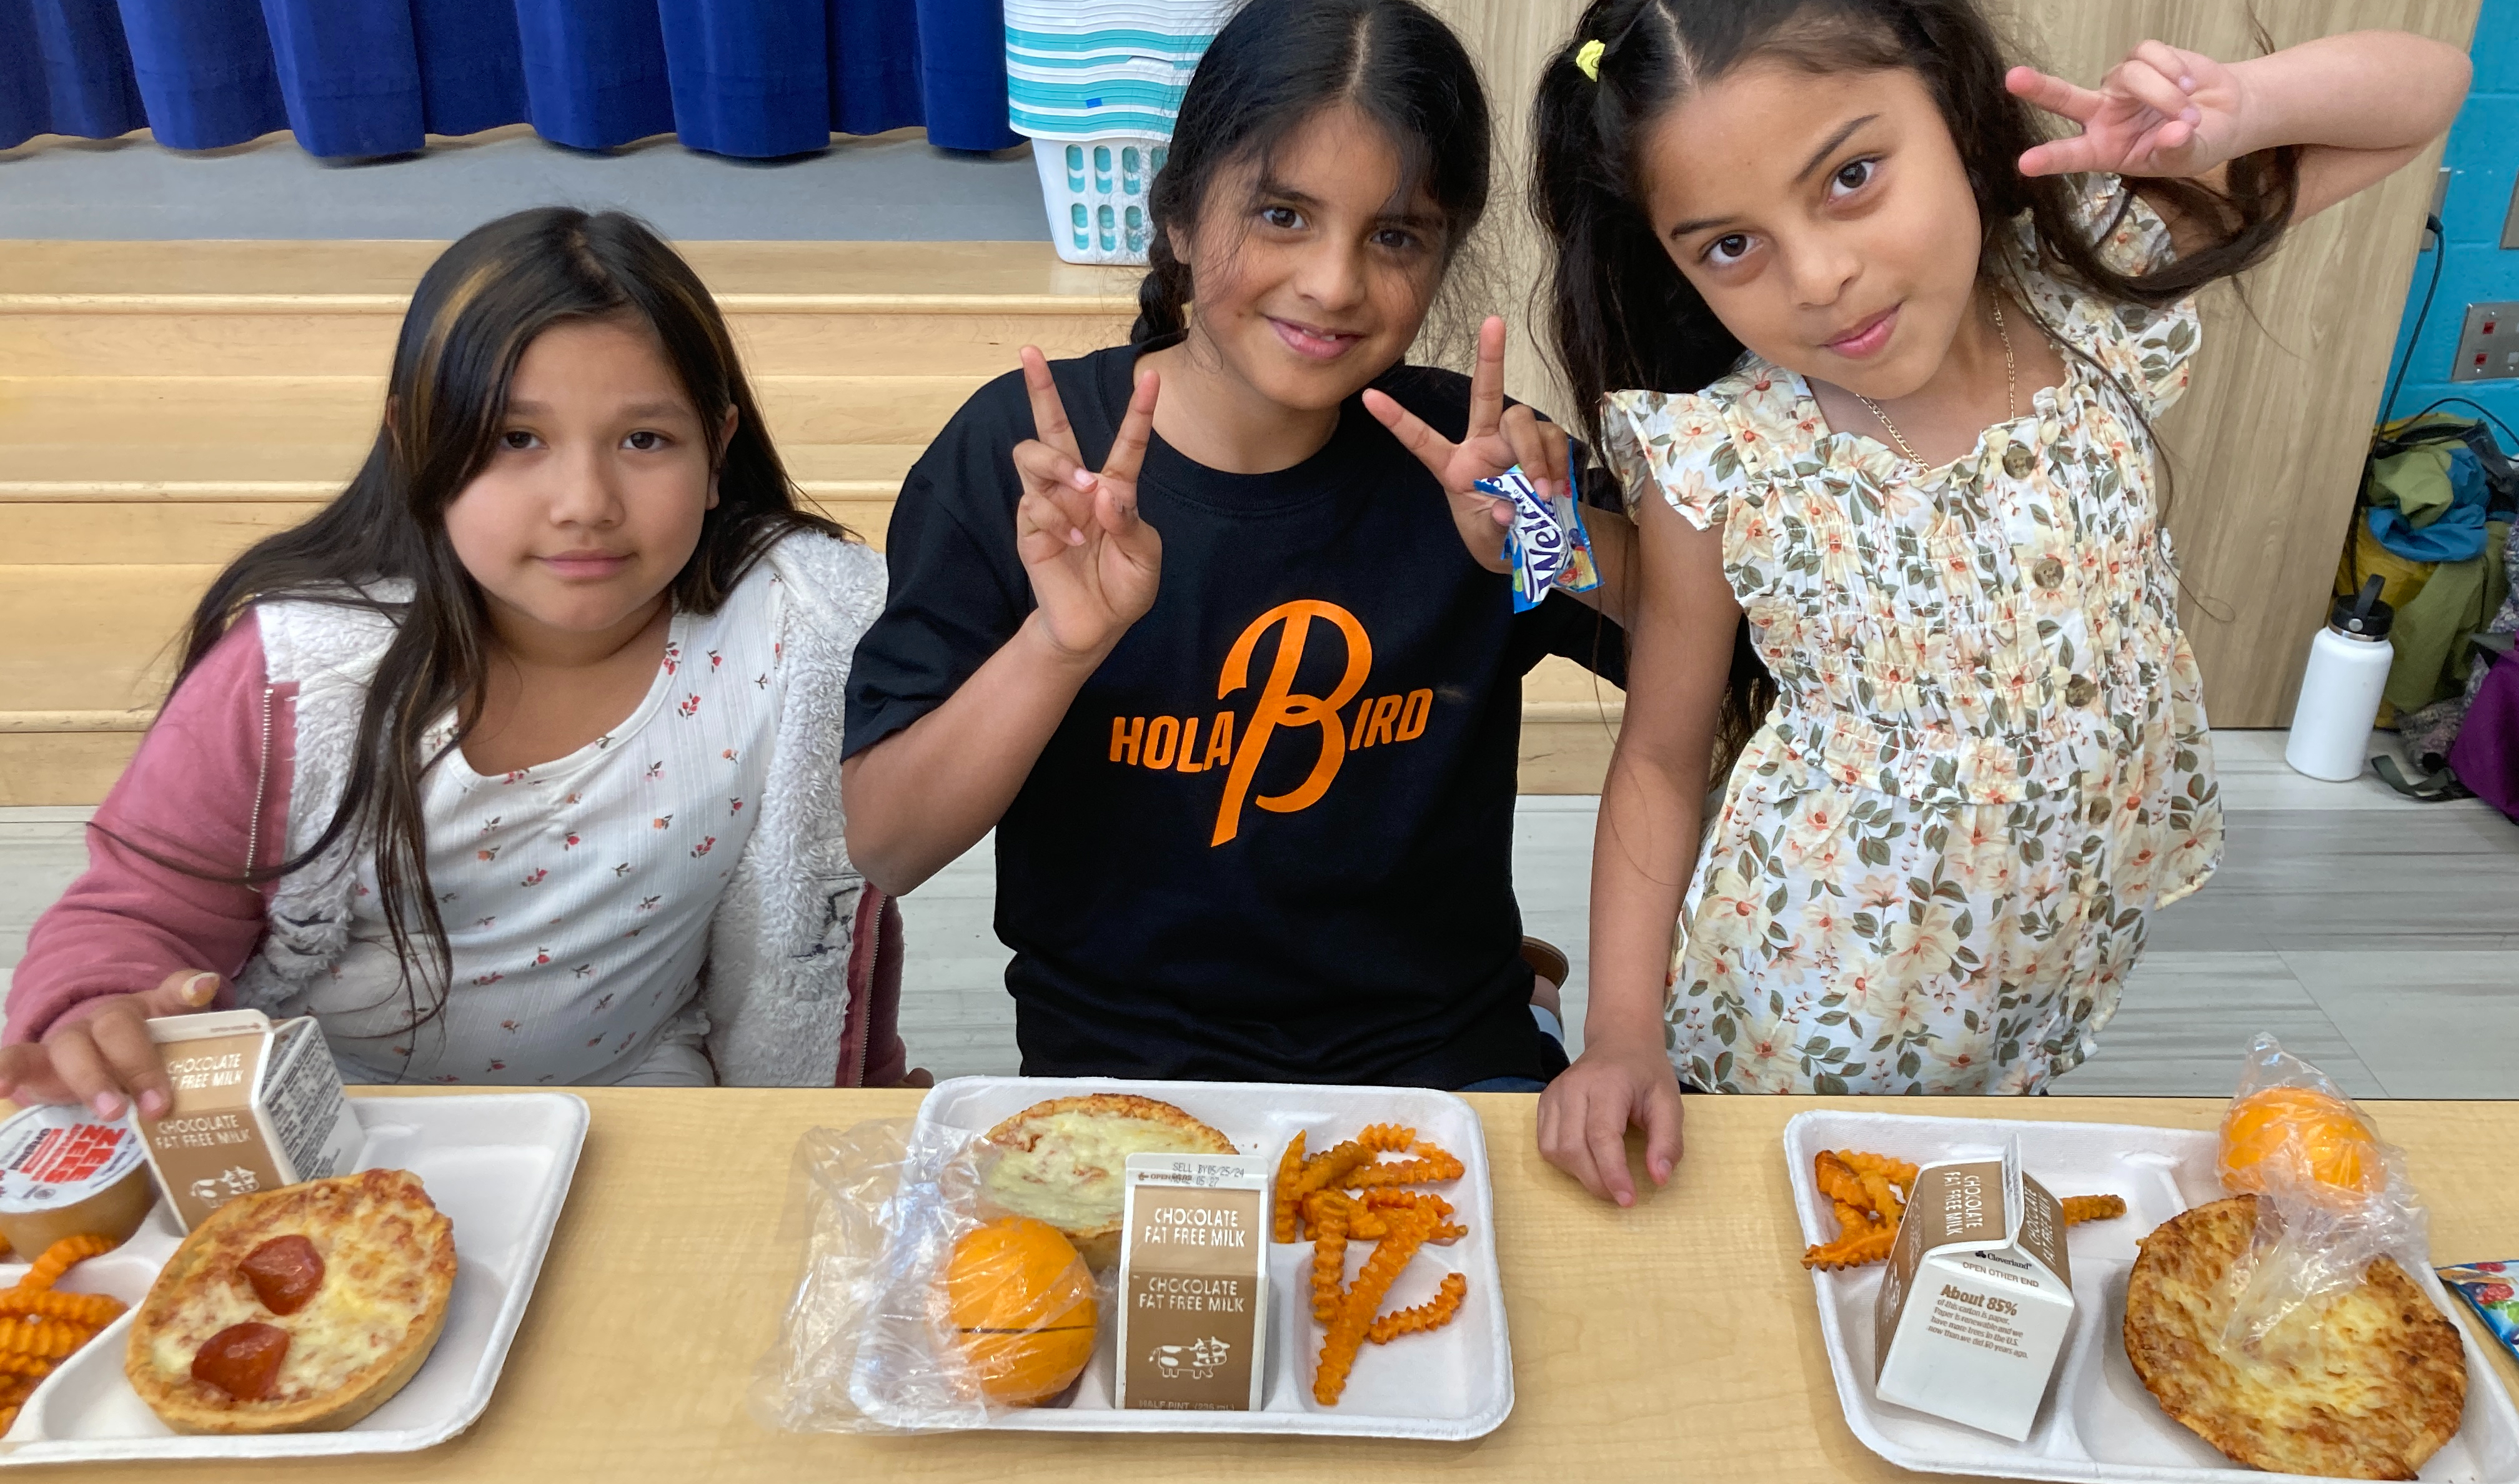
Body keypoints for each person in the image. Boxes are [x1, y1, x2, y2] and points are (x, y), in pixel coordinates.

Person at [1528, 0, 2469, 1199]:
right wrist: (1621, 1034)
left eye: (1853, 176)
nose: (1820, 277)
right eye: (1729, 247)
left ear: (1953, 109)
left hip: (2048, 938)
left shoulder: (2091, 285)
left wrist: (2240, 113)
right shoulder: (1723, 457)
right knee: (1808, 1229)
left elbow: (2425, 92)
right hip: (1821, 991)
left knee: (1976, 1207)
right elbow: (1660, 760)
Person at [843, 0, 1632, 1091]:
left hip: (1440, 1062)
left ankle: (1529, 1004)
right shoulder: (1025, 455)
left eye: (1395, 235)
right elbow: (888, 844)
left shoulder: (1469, 454)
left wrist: (1547, 537)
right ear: (1177, 215)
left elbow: (1725, 655)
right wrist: (1057, 647)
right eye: (1280, 215)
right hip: (1121, 1077)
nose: (1334, 283)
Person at [2, 209, 912, 1114]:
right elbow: (138, 913)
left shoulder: (796, 638)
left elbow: (825, 933)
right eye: (517, 440)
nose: (584, 503)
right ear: (417, 445)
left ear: (717, 453)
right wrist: (94, 1009)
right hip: (334, 1115)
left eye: (644, 440)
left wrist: (865, 1106)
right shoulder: (299, 676)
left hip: (642, 1097)